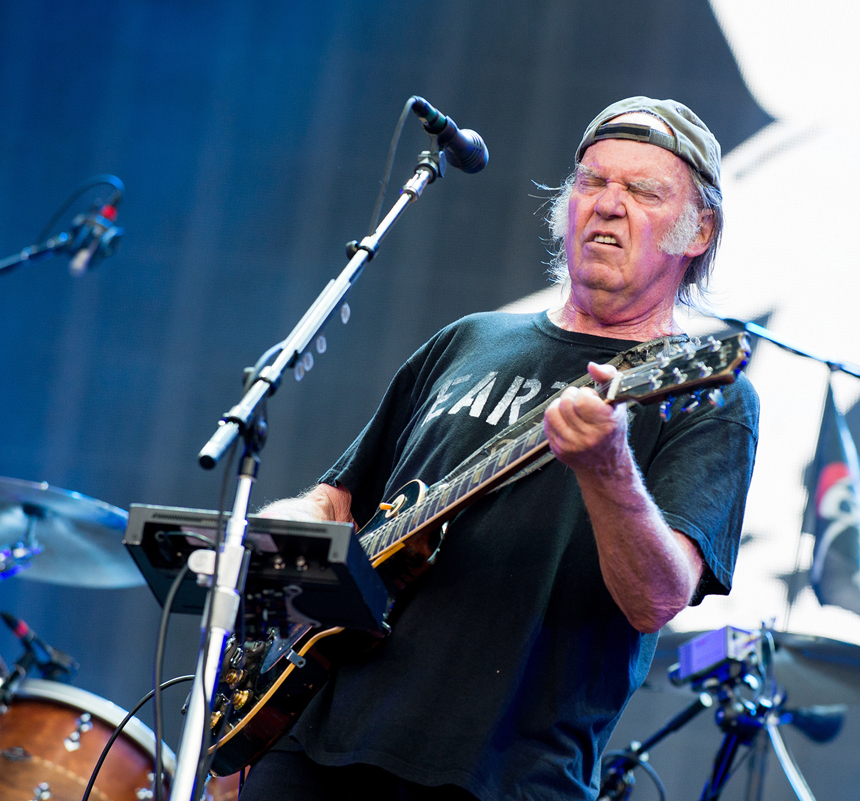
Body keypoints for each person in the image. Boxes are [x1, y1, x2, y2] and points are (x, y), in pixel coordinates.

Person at [237, 97, 759, 801]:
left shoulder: (708, 397)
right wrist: (275, 566)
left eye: (643, 191)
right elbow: (335, 502)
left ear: (700, 230)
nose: (608, 205)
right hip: (311, 745)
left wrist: (607, 469)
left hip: (504, 778)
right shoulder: (469, 339)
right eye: (592, 181)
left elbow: (656, 599)